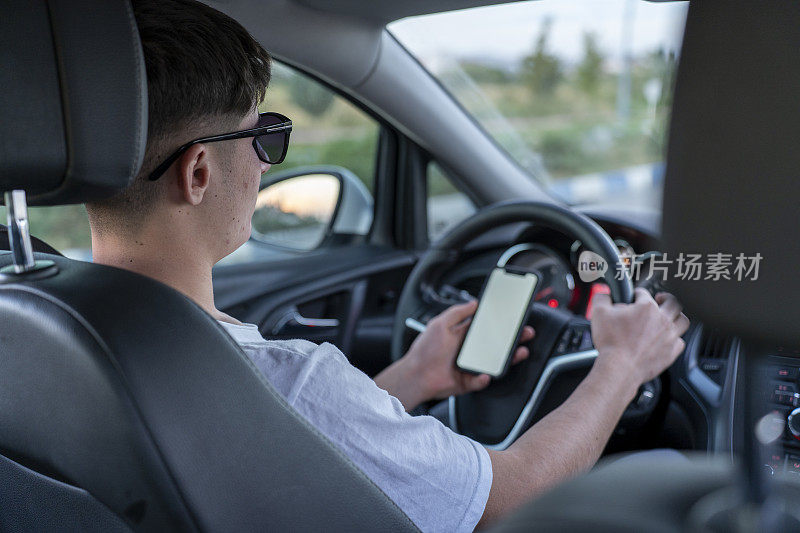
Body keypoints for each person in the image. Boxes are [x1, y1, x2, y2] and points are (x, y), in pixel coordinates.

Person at [86, 0, 690, 530]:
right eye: (263, 136)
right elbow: (506, 502)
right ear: (198, 173)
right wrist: (622, 362)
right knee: (669, 474)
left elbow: (291, 447)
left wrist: (410, 379)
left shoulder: (32, 322)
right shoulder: (287, 378)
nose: (266, 164)